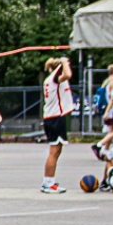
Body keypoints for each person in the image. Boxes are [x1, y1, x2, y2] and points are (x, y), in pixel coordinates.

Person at [40, 56, 74, 193]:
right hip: (54, 118)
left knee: (57, 151)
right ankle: (48, 183)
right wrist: (65, 62)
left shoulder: (51, 79)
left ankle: (50, 181)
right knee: (54, 152)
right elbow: (68, 74)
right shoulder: (55, 78)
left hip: (53, 117)